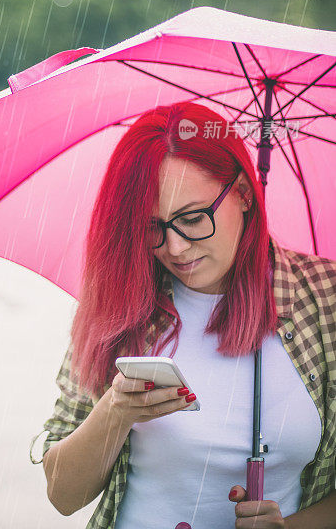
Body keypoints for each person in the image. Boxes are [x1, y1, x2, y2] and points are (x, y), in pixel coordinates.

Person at [29, 101, 336, 529]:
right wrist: (116, 411)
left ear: (245, 194)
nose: (174, 248)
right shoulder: (121, 300)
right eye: (152, 227)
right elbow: (62, 494)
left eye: (193, 219)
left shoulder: (325, 297)